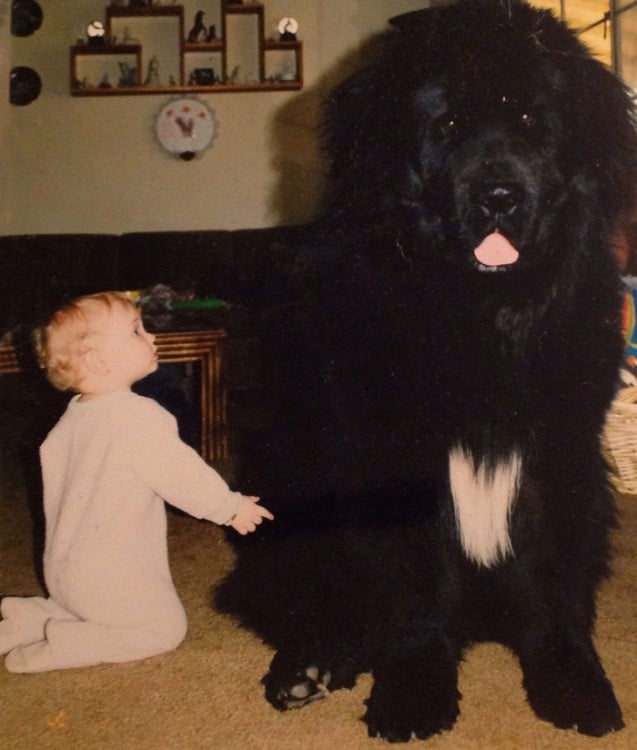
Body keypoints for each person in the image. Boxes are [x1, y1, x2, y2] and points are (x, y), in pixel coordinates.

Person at [0, 291, 273, 673]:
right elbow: (182, 476)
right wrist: (229, 507)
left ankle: (30, 621)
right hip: (111, 574)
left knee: (83, 605)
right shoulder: (137, 417)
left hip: (63, 567)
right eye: (135, 332)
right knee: (162, 628)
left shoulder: (72, 418)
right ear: (98, 361)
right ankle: (67, 642)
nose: (152, 337)